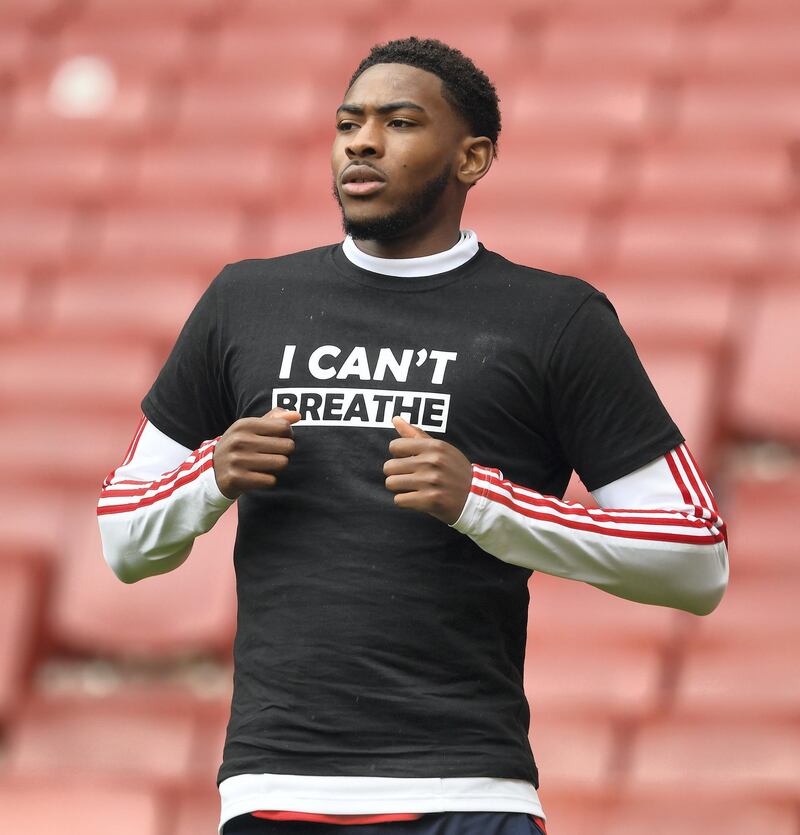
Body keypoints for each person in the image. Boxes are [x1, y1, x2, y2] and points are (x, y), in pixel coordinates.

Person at [97, 37, 728, 835]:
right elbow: (122, 539)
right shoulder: (244, 300)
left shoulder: (557, 320)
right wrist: (207, 478)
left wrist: (484, 501)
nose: (362, 141)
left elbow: (695, 558)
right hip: (274, 784)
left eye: (398, 122)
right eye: (348, 122)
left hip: (469, 791)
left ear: (473, 157)